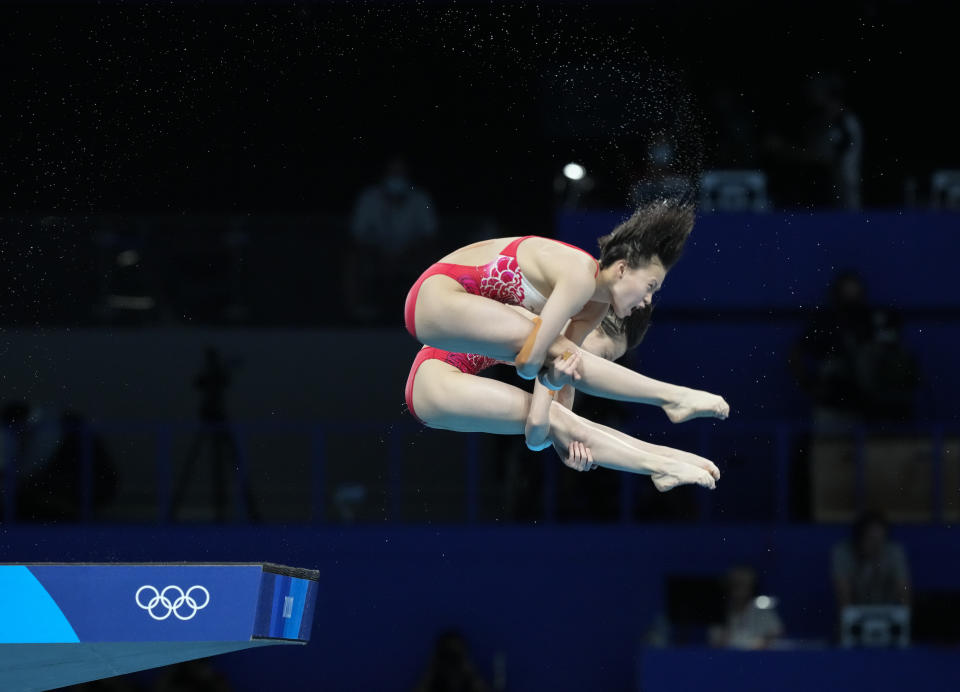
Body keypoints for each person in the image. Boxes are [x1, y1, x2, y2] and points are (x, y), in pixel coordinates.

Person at [404, 199, 730, 426]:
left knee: (563, 394)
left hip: (462, 322)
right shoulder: (578, 275)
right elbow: (530, 362)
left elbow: (558, 379)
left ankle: (669, 433)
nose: (646, 301)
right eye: (650, 286)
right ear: (622, 268)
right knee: (558, 353)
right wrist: (553, 373)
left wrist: (562, 428)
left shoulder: (596, 308)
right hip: (435, 296)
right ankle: (670, 396)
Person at [405, 305, 720, 491]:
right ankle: (658, 464)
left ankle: (666, 459)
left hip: (440, 379)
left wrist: (567, 448)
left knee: (568, 422)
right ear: (591, 326)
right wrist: (559, 439)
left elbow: (558, 430)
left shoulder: (557, 345)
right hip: (435, 374)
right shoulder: (549, 329)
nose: (601, 365)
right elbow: (539, 429)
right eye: (606, 355)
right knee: (560, 421)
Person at [346, 156, 439, 323]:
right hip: (376, 256)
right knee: (351, 260)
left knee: (435, 261)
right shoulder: (368, 198)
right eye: (392, 172)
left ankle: (428, 312)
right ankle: (359, 312)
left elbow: (429, 237)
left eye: (400, 172)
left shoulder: (420, 199)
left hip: (411, 256)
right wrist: (380, 254)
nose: (396, 177)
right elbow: (357, 237)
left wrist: (405, 255)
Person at [832, 510, 911, 612]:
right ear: (859, 538)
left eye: (880, 539)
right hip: (856, 618)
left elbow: (904, 590)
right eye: (871, 539)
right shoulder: (842, 553)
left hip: (889, 616)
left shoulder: (894, 552)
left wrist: (904, 617)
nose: (876, 545)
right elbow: (844, 599)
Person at [708, 565, 784, 650]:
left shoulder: (762, 609)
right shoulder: (721, 611)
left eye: (743, 584)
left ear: (752, 586)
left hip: (758, 657)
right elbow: (715, 641)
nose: (739, 589)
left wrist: (764, 642)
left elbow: (776, 632)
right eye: (735, 584)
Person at [414, 628, 490, 692]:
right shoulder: (433, 680)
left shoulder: (471, 681)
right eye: (447, 655)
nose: (452, 661)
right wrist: (432, 669)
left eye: (455, 656)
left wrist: (471, 673)